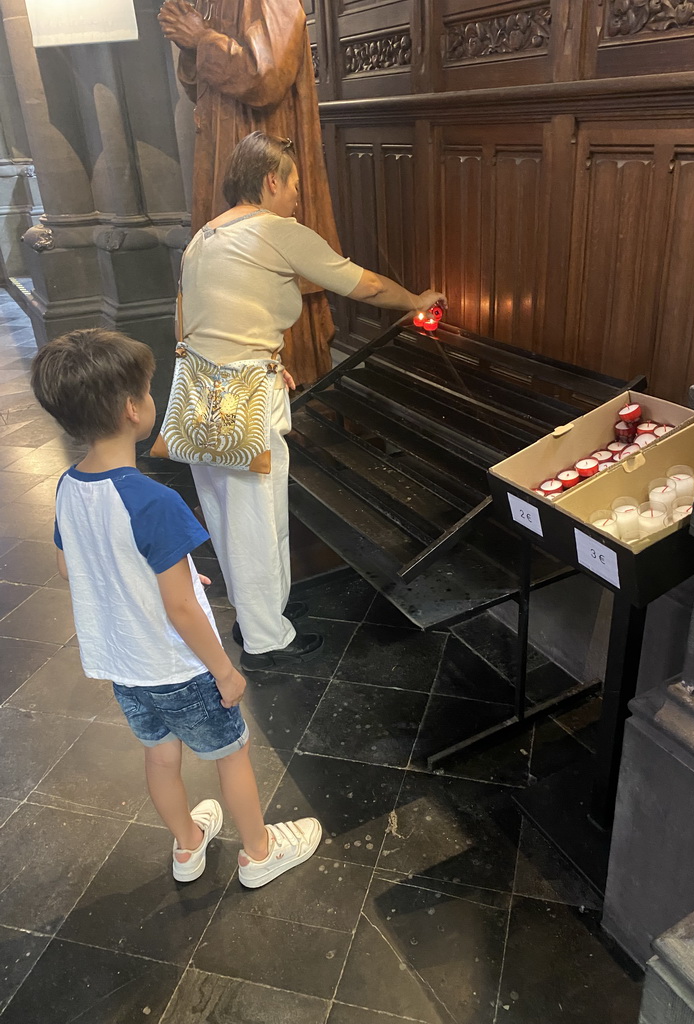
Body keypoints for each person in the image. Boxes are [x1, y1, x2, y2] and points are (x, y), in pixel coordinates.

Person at [30, 328, 322, 888]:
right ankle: (259, 853)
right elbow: (183, 611)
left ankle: (187, 845)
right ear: (133, 409)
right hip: (180, 668)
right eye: (148, 389)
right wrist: (225, 670)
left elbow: (74, 568)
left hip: (124, 668)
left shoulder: (68, 487)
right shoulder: (153, 500)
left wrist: (176, 571)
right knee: (231, 754)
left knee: (160, 758)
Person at [176, 131, 446, 672]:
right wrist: (416, 299)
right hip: (243, 398)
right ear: (270, 181)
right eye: (294, 184)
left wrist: (263, 356)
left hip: (197, 387)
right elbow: (361, 285)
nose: (298, 196)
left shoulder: (205, 235)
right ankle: (266, 641)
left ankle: (260, 612)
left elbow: (186, 316)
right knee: (256, 515)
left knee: (227, 512)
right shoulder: (275, 230)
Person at [157, 0, 339, 387]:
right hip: (224, 153)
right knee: (228, 277)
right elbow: (200, 89)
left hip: (263, 148)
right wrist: (193, 48)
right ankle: (238, 392)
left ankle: (289, 395)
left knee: (269, 272)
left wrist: (202, 39)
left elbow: (267, 76)